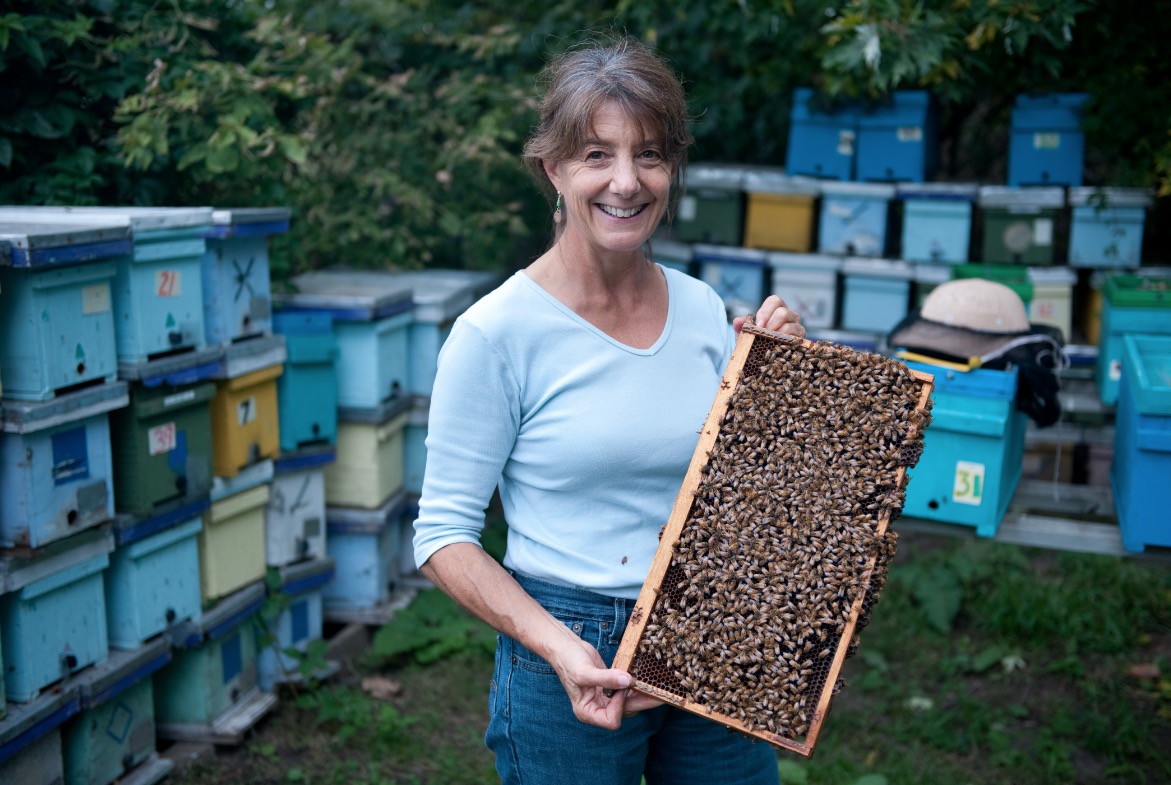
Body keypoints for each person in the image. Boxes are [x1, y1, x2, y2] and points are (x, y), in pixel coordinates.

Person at [412, 33, 805, 785]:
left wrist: (782, 381)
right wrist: (560, 647)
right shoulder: (496, 333)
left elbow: (746, 494)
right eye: (597, 154)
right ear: (552, 168)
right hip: (567, 639)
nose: (626, 181)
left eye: (649, 154)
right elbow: (442, 535)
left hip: (709, 629)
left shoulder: (700, 308)